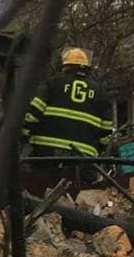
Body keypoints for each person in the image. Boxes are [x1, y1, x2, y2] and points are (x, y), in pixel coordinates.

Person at [19, 47, 115, 199]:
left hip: (46, 152)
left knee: (39, 192)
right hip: (83, 157)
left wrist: (23, 135)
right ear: (86, 69)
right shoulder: (101, 92)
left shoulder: (52, 84)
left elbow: (34, 112)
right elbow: (106, 128)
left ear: (65, 67)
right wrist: (99, 149)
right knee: (81, 195)